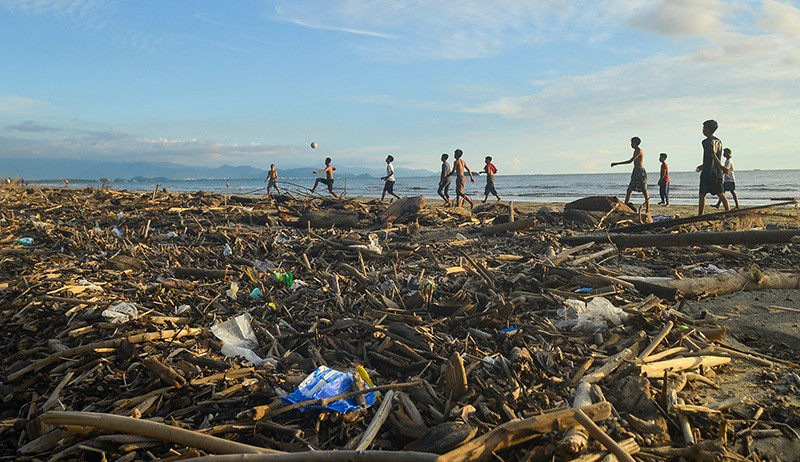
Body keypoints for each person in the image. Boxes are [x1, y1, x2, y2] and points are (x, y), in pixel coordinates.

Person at [696, 119, 730, 215]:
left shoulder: (706, 142)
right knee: (721, 193)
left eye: (703, 128)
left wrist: (722, 166)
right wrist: (703, 165)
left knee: (702, 194)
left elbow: (712, 155)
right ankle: (728, 211)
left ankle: (700, 214)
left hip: (708, 173)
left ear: (707, 129)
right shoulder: (719, 141)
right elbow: (713, 157)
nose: (702, 130)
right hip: (717, 172)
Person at [611, 137, 650, 214]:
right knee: (629, 190)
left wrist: (617, 163)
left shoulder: (639, 150)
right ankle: (625, 206)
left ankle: (647, 209)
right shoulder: (635, 150)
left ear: (636, 143)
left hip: (640, 172)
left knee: (644, 191)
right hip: (635, 171)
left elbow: (630, 161)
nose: (631, 144)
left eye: (632, 143)